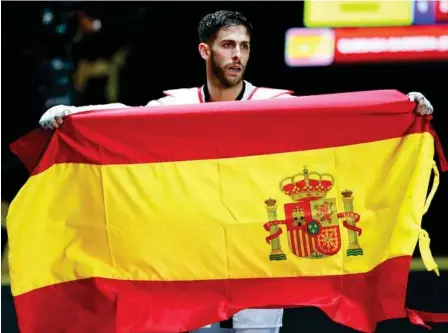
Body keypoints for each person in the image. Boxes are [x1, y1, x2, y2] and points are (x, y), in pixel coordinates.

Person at [37, 9, 435, 333]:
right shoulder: (176, 107)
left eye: (244, 46)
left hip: (256, 252)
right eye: (228, 45)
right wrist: (73, 115)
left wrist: (400, 107)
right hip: (194, 256)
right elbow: (125, 120)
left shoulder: (274, 104)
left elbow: (339, 118)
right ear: (205, 51)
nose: (237, 55)